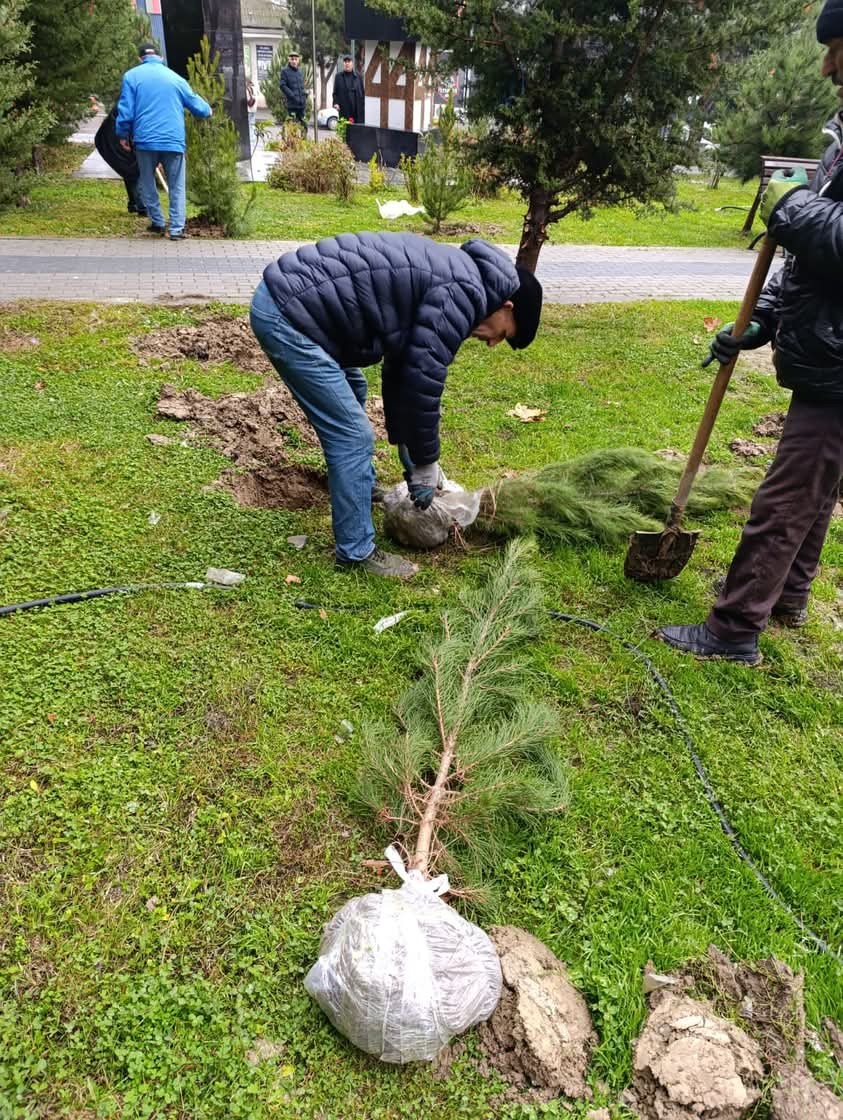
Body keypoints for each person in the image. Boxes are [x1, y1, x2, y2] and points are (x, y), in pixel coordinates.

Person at [656, 0, 843, 666]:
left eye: (836, 49)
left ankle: (733, 630)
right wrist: (758, 319)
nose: (826, 65)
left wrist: (790, 207)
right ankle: (786, 595)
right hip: (828, 347)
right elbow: (810, 267)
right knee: (816, 487)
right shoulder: (841, 141)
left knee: (789, 493)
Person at [249, 232, 543, 578]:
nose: (493, 342)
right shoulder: (464, 294)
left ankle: (360, 487)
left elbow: (402, 367)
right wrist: (425, 462)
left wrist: (408, 445)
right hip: (290, 315)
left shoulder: (465, 278)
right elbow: (422, 381)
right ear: (507, 307)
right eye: (503, 334)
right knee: (353, 436)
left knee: (353, 387)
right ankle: (355, 552)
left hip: (300, 305)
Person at [115, 43, 212, 241]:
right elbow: (197, 106)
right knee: (176, 184)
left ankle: (157, 222)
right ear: (160, 58)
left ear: (140, 58)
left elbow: (125, 110)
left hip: (145, 140)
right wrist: (208, 110)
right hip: (173, 140)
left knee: (147, 181)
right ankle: (176, 229)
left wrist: (123, 134)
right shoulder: (175, 78)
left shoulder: (132, 76)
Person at [94, 107, 146, 216]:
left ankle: (135, 204)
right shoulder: (132, 104)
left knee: (130, 168)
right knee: (133, 168)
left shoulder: (136, 101)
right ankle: (142, 207)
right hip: (114, 137)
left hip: (117, 135)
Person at [332, 54, 365, 124]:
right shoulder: (338, 77)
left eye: (349, 61)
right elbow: (335, 93)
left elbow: (362, 93)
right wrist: (336, 103)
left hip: (357, 113)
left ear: (352, 63)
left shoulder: (358, 77)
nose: (347, 63)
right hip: (344, 112)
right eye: (345, 61)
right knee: (345, 133)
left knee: (357, 134)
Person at [280, 51, 306, 126]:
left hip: (301, 106)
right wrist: (292, 95)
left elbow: (302, 86)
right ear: (289, 60)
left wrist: (305, 96)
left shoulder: (300, 72)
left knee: (303, 127)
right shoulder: (285, 71)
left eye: (295, 59)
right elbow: (282, 85)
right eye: (292, 59)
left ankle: (303, 138)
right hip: (292, 105)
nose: (294, 61)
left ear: (298, 60)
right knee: (292, 128)